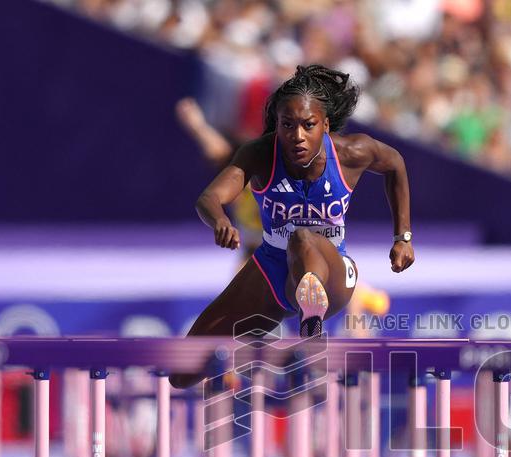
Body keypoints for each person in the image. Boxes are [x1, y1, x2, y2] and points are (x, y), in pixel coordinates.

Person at [170, 65, 414, 389]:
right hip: (272, 269)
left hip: (331, 273)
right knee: (183, 372)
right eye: (287, 125)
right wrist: (220, 221)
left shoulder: (351, 152)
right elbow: (210, 197)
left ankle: (311, 323)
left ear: (325, 125)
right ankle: (277, 331)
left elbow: (395, 164)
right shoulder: (260, 154)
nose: (297, 136)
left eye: (308, 125)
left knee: (303, 238)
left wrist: (403, 237)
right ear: (278, 125)